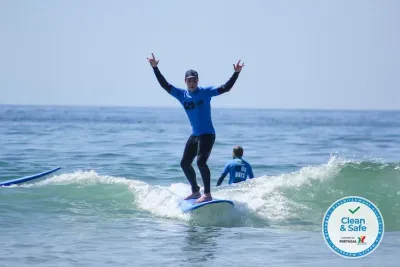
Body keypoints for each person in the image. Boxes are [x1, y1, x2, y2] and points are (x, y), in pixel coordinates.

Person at [147, 53, 244, 203]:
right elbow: (165, 85)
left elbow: (226, 88)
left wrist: (236, 73)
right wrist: (155, 68)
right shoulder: (181, 94)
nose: (192, 83)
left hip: (207, 134)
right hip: (195, 135)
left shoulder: (205, 92)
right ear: (185, 81)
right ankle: (195, 191)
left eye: (194, 80)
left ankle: (208, 194)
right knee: (184, 163)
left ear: (198, 81)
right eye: (189, 80)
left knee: (201, 162)